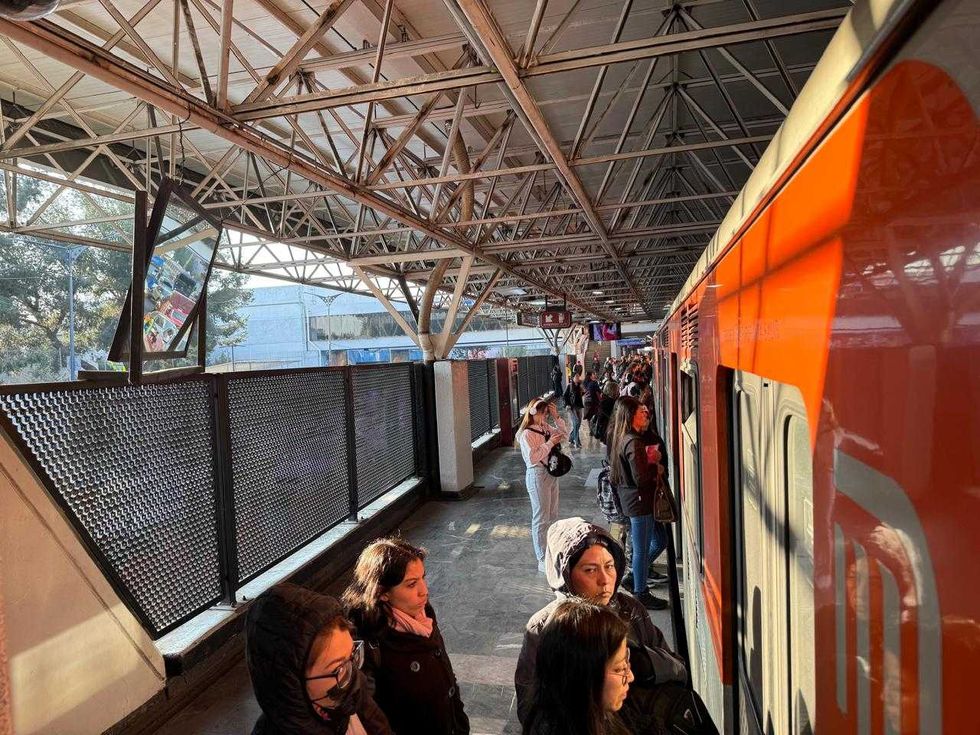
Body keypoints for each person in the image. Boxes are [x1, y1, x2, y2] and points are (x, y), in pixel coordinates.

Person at [515, 518, 686, 731]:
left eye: (609, 566)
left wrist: (642, 658)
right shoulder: (545, 627)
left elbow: (678, 668)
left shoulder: (630, 610)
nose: (605, 580)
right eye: (590, 570)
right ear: (566, 575)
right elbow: (529, 708)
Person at [342, 538, 469, 735]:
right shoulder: (367, 642)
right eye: (411, 584)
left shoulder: (423, 613)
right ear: (382, 592)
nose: (424, 591)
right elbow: (371, 717)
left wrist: (459, 721)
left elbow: (445, 673)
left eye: (423, 578)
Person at [245, 583, 393, 735]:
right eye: (338, 669)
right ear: (291, 682)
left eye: (351, 655)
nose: (354, 674)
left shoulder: (348, 697)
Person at [521, 598, 633, 735]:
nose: (630, 677)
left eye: (627, 661)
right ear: (582, 677)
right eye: (620, 668)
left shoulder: (598, 716)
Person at [607, 397, 669, 610]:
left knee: (660, 539)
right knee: (642, 550)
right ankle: (641, 591)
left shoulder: (623, 437)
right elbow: (641, 477)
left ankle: (635, 575)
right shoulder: (633, 441)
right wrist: (656, 465)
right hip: (639, 502)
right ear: (630, 415)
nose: (645, 413)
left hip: (636, 501)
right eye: (639, 411)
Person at [517, 397, 569, 571]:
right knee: (540, 517)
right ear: (534, 413)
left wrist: (556, 417)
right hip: (537, 475)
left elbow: (564, 435)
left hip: (551, 474)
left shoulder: (545, 427)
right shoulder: (526, 434)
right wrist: (549, 444)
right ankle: (541, 557)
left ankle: (552, 550)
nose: (545, 415)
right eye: (543, 412)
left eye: (546, 412)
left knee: (553, 515)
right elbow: (531, 458)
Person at [563, 371, 585, 448]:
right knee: (576, 422)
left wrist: (583, 391)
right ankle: (577, 441)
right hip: (572, 407)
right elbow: (565, 396)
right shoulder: (569, 386)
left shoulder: (579, 385)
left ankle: (571, 437)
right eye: (576, 377)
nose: (578, 378)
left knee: (578, 424)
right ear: (573, 378)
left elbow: (582, 394)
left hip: (579, 406)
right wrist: (567, 404)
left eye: (578, 376)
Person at [593, 380, 619, 445]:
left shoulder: (605, 400)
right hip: (608, 430)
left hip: (605, 430)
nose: (619, 392)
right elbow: (610, 416)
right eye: (617, 390)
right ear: (613, 391)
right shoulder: (609, 402)